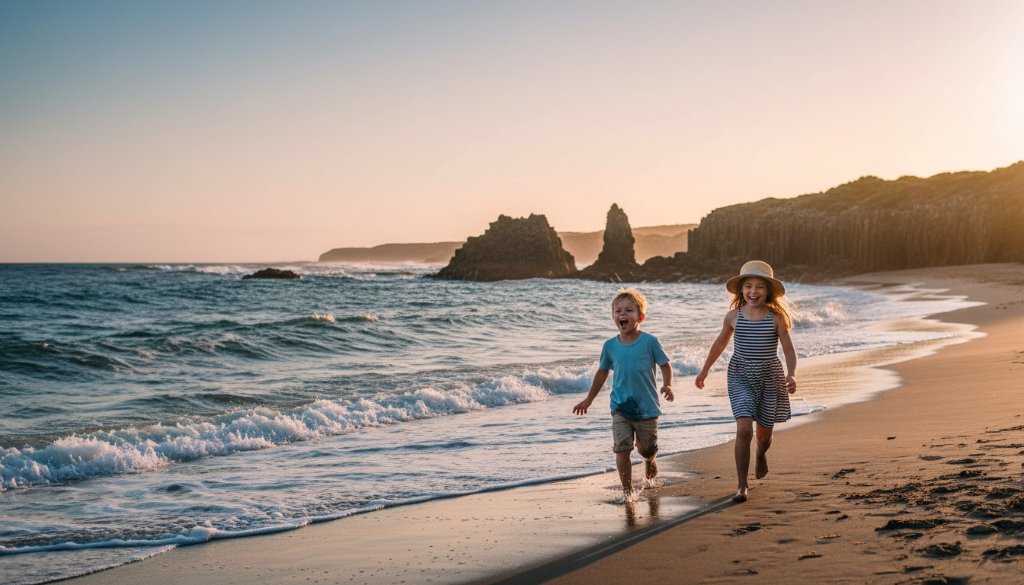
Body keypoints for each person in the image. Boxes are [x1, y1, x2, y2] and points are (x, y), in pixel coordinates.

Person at [695, 260, 797, 503]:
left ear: (768, 291)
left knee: (763, 436)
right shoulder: (733, 317)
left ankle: (761, 455)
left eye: (760, 287)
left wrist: (791, 374)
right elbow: (720, 344)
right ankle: (742, 485)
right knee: (743, 430)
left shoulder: (776, 318)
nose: (754, 291)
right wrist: (704, 370)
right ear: (741, 290)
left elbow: (789, 350)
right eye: (749, 286)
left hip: (769, 377)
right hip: (740, 375)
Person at [573, 288, 674, 498]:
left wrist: (668, 385)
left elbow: (665, 365)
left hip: (646, 407)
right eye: (618, 310)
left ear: (640, 317)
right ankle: (628, 491)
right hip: (619, 407)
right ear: (613, 317)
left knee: (647, 448)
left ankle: (649, 460)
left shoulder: (650, 342)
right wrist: (589, 399)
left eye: (629, 310)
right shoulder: (609, 346)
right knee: (621, 448)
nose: (622, 314)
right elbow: (601, 373)